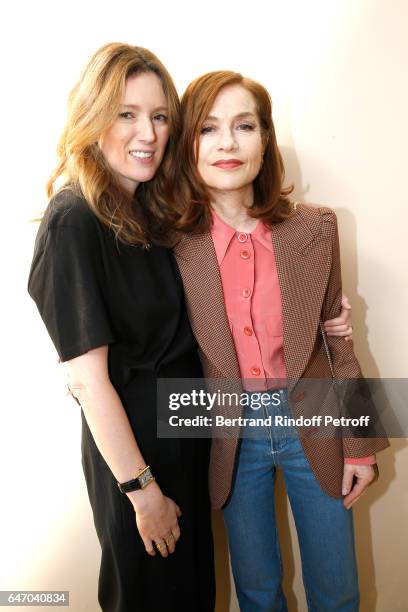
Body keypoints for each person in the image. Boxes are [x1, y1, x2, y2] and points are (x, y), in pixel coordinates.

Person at [171, 71, 389, 611]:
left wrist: (360, 445)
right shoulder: (172, 244)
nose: (227, 143)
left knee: (337, 590)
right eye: (208, 128)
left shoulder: (315, 229)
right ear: (188, 144)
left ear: (265, 140)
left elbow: (338, 343)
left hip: (313, 418)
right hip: (230, 432)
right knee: (257, 590)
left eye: (244, 126)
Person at [27, 43, 215, 612]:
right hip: (140, 457)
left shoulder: (146, 215)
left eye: (160, 116)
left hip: (182, 439)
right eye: (127, 114)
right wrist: (142, 492)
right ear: (93, 120)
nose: (149, 132)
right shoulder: (74, 220)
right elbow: (88, 381)